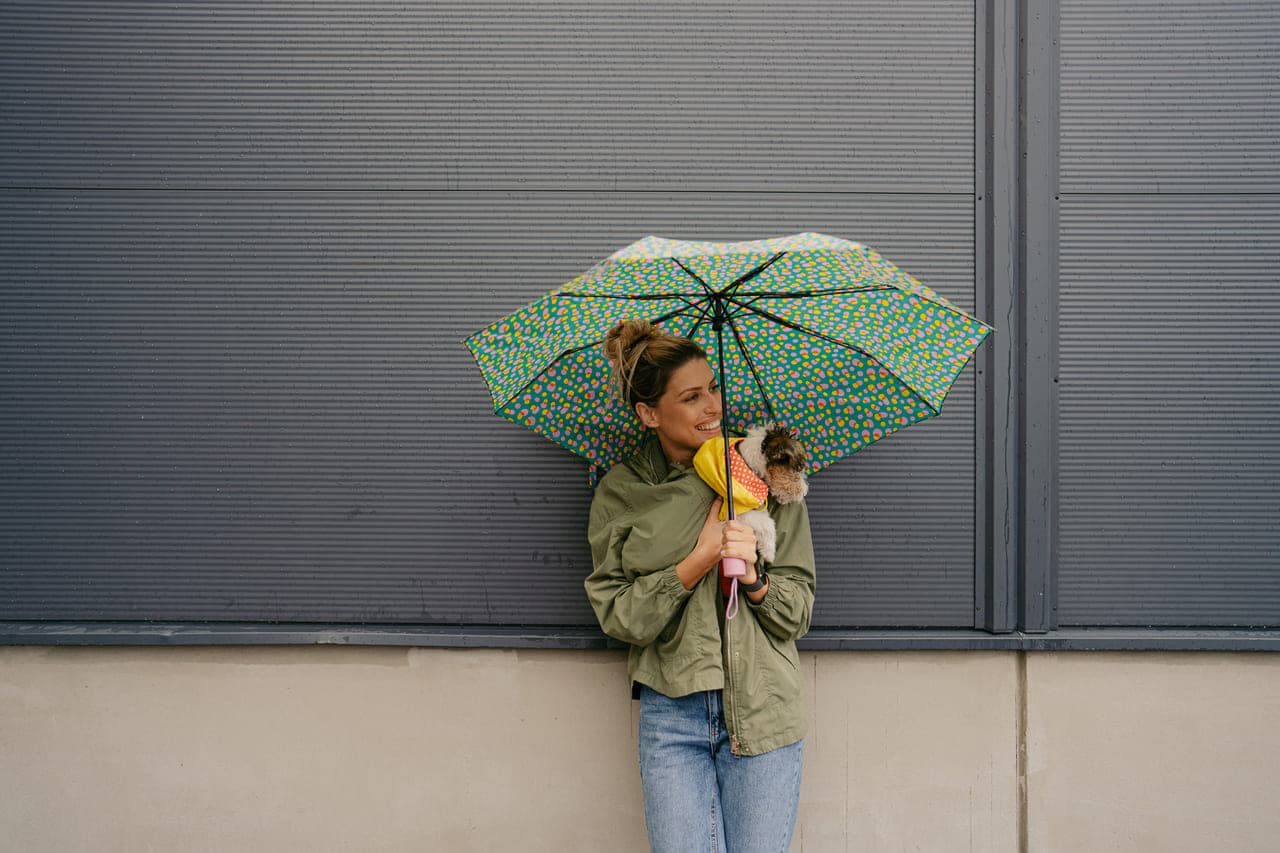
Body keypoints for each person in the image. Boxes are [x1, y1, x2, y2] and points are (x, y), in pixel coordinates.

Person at [585, 319, 817, 853]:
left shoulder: (762, 472)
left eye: (713, 387)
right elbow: (622, 619)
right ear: (649, 413)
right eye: (691, 397)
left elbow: (797, 612)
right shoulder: (621, 493)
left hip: (762, 711)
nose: (712, 406)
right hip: (672, 717)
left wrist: (754, 577)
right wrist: (699, 558)